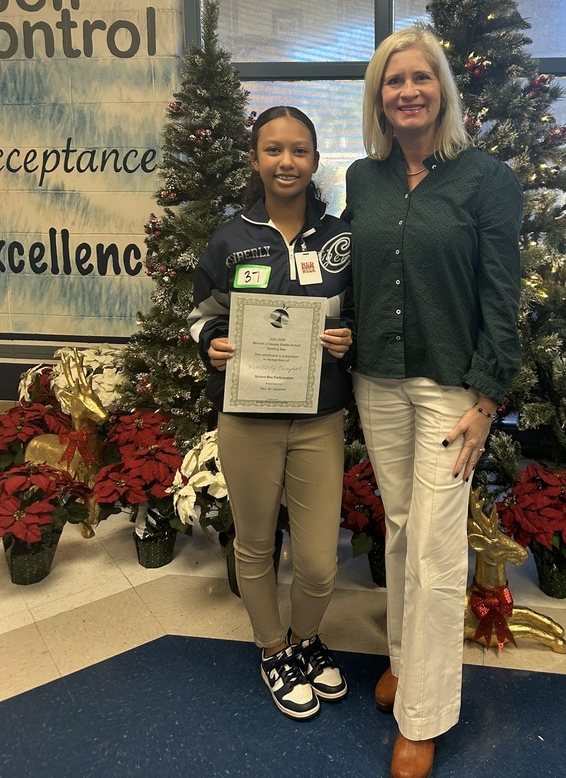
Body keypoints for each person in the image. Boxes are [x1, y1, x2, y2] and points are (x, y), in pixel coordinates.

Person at [343, 27, 523, 778]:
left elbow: (502, 296)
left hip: (452, 387)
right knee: (402, 529)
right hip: (377, 377)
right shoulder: (363, 177)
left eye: (421, 77)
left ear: (443, 89)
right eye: (393, 80)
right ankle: (404, 660)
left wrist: (487, 400)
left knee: (439, 546)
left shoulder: (486, 179)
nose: (408, 91)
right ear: (378, 98)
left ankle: (424, 713)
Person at [188, 105, 354, 721]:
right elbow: (199, 310)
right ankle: (273, 647)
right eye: (274, 150)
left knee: (316, 558)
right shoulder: (229, 238)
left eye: (300, 151)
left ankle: (308, 639)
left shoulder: (340, 238)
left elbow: (363, 315)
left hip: (319, 417)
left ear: (314, 160)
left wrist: (347, 337)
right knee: (256, 545)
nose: (287, 162)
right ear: (256, 159)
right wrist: (211, 342)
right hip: (247, 419)